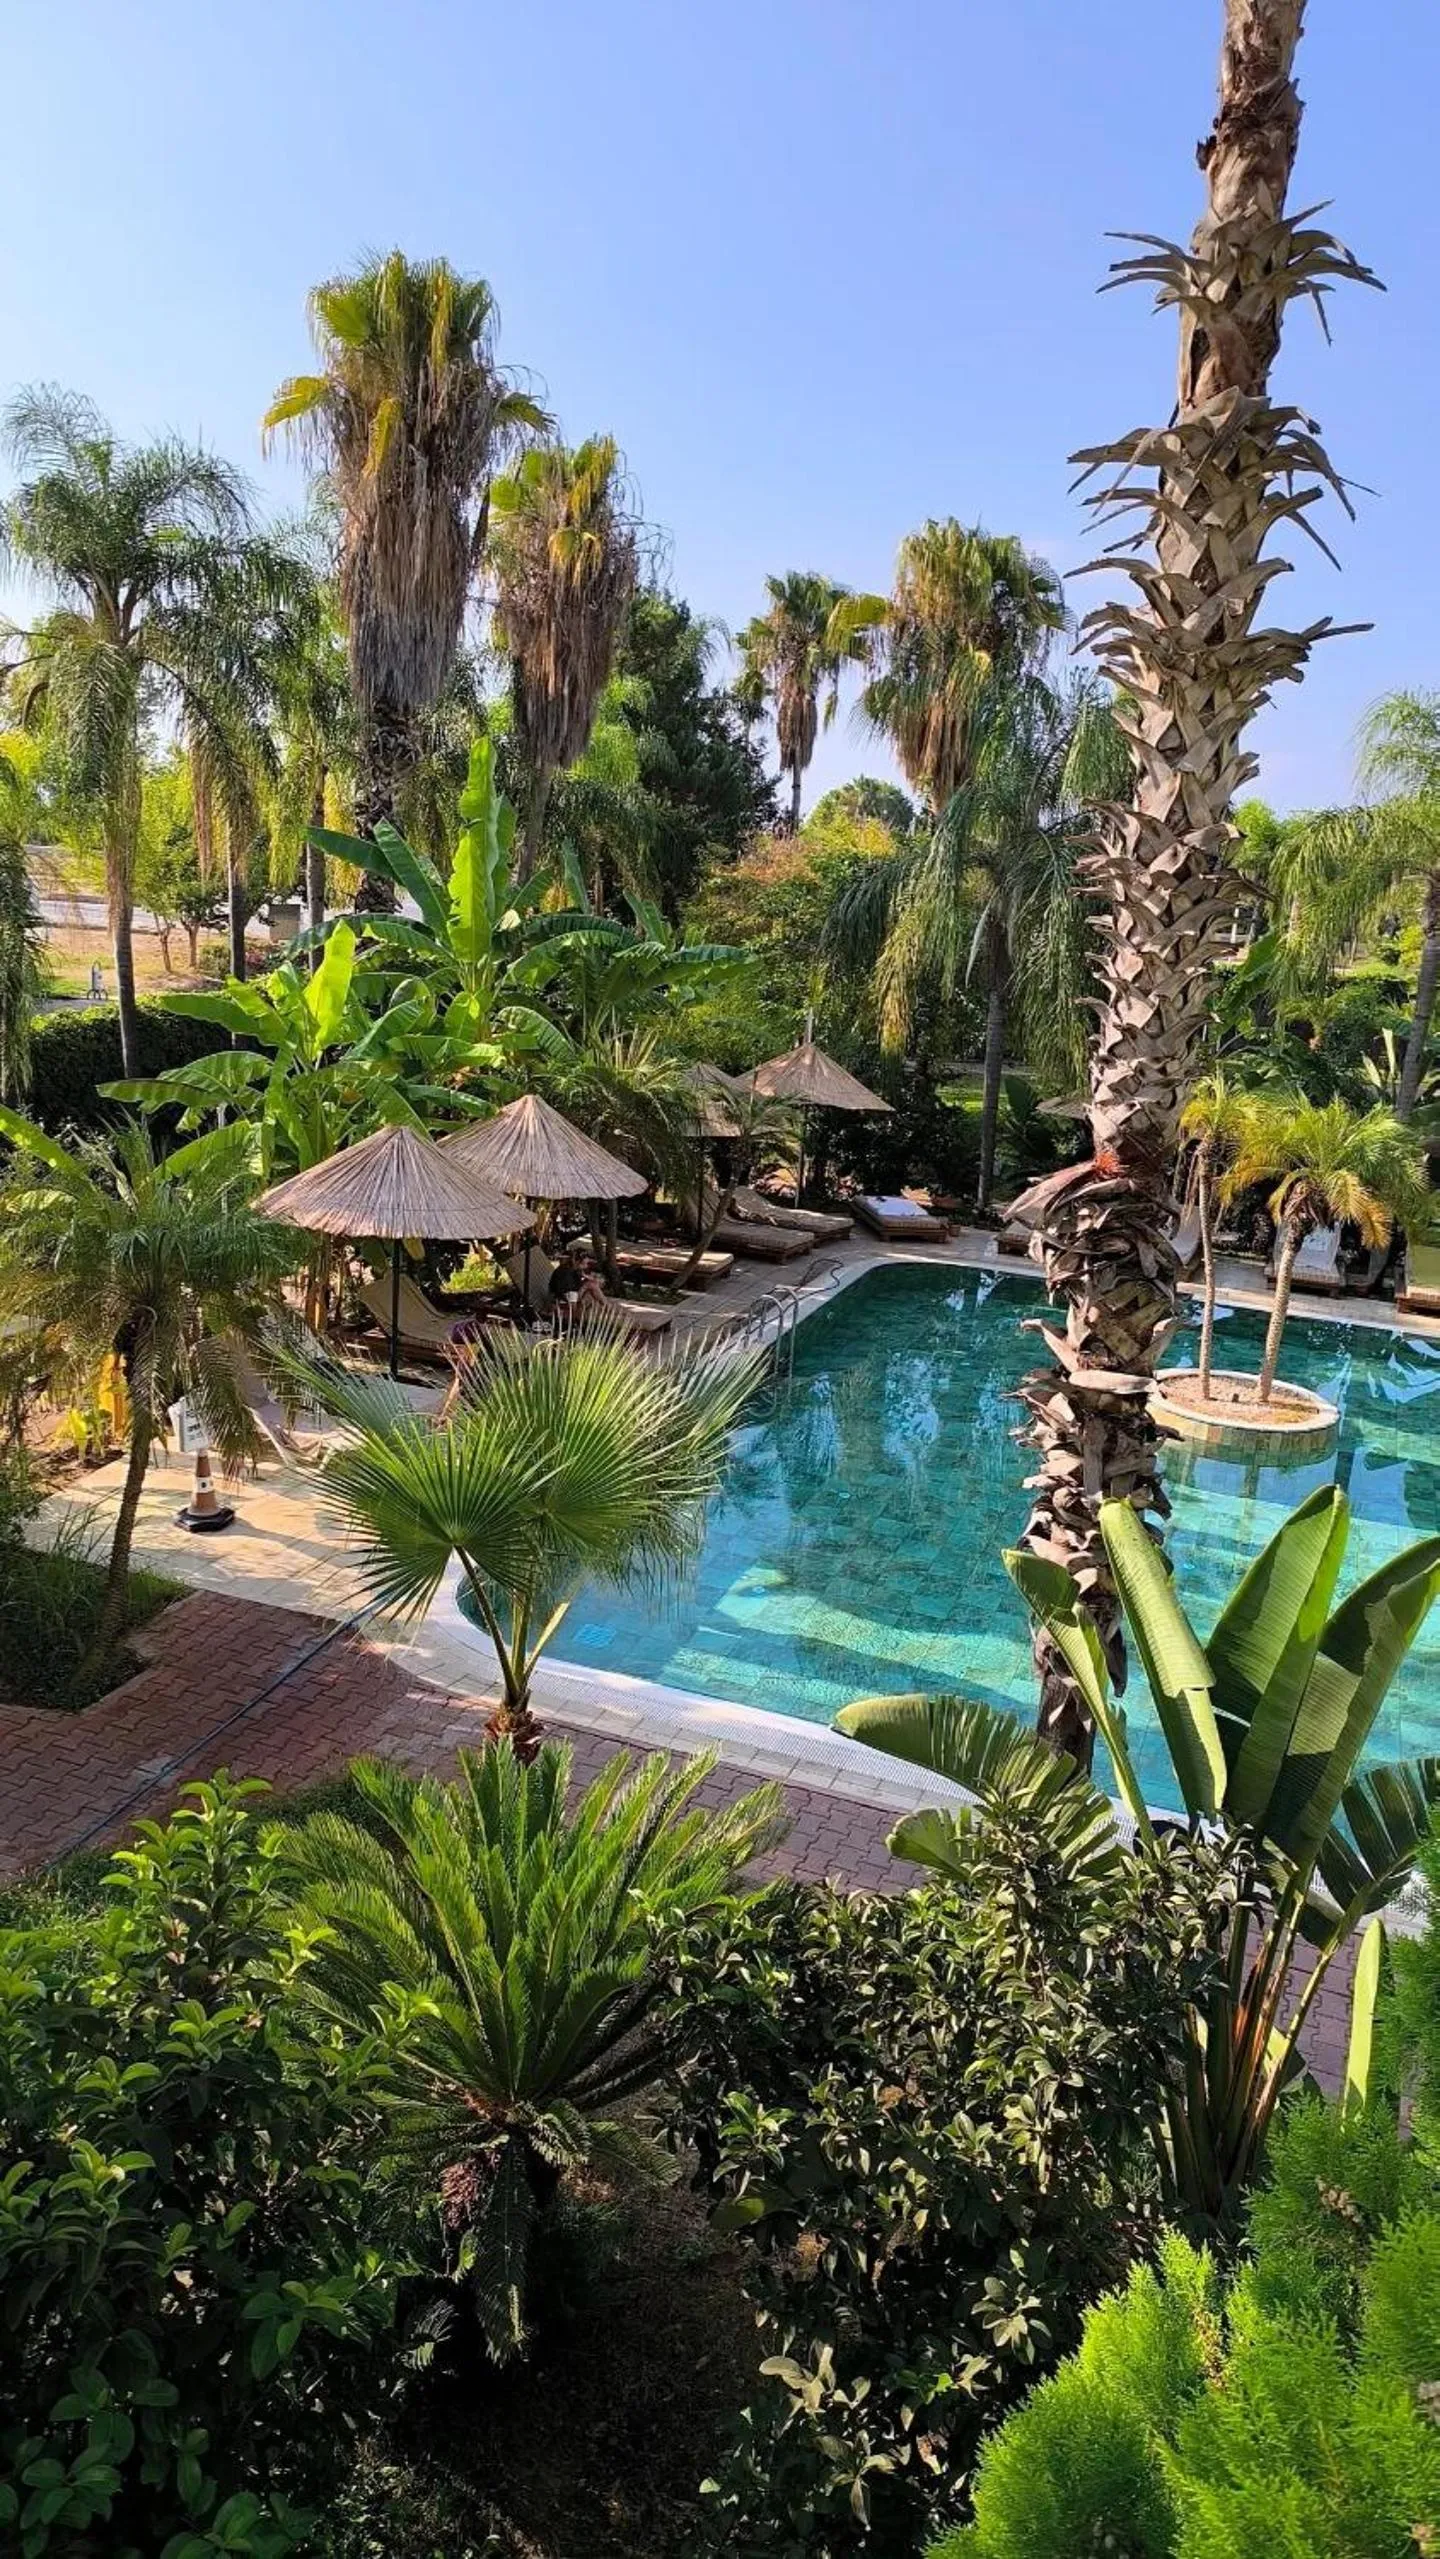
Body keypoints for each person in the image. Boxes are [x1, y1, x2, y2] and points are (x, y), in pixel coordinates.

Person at [547, 1243, 607, 1328]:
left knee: (592, 1285)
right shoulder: (565, 1272)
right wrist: (584, 1286)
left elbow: (579, 1285)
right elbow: (568, 1293)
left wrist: (586, 1278)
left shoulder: (574, 1269)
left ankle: (604, 1306)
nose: (585, 1266)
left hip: (569, 1295)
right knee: (590, 1286)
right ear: (578, 1262)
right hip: (561, 1298)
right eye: (584, 1264)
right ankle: (575, 1321)